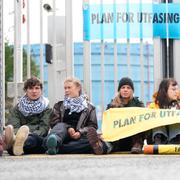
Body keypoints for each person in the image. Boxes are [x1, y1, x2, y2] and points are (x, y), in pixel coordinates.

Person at [45, 77, 106, 155]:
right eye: (65, 88)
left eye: (69, 87)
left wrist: (80, 132)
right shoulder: (59, 105)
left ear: (78, 88)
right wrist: (68, 128)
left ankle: (56, 148)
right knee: (61, 126)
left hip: (79, 137)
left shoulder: (89, 107)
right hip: (62, 136)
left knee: (91, 142)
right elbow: (54, 123)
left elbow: (93, 126)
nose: (66, 90)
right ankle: (55, 142)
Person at [87, 77, 145, 154]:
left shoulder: (138, 104)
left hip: (133, 140)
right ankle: (99, 147)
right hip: (117, 140)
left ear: (132, 91)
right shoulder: (112, 105)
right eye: (123, 87)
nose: (125, 90)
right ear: (119, 90)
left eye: (128, 88)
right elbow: (107, 123)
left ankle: (137, 145)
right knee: (109, 144)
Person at [4, 76, 52, 156]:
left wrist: (28, 134)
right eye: (31, 88)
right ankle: (15, 143)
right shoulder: (18, 108)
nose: (34, 91)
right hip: (19, 135)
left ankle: (14, 142)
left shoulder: (47, 108)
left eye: (37, 88)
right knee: (14, 139)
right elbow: (14, 126)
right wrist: (19, 134)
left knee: (33, 140)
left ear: (41, 90)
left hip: (36, 138)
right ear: (26, 90)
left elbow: (44, 128)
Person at [148, 78, 180, 144]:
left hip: (175, 140)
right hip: (156, 139)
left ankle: (176, 139)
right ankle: (159, 139)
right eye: (173, 89)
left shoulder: (179, 105)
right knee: (157, 115)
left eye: (177, 89)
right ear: (164, 90)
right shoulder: (153, 106)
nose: (177, 92)